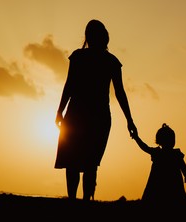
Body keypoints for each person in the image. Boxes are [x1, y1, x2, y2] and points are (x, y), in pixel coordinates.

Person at [54, 19, 137, 201]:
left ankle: (74, 200)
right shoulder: (110, 61)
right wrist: (129, 120)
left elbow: (70, 85)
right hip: (95, 116)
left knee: (74, 162)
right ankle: (84, 202)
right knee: (89, 163)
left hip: (79, 114)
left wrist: (60, 111)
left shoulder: (81, 57)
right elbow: (120, 93)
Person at [131, 123, 186, 204]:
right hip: (165, 184)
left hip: (163, 184)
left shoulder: (164, 153)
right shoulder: (173, 154)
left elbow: (183, 165)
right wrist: (136, 138)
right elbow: (183, 165)